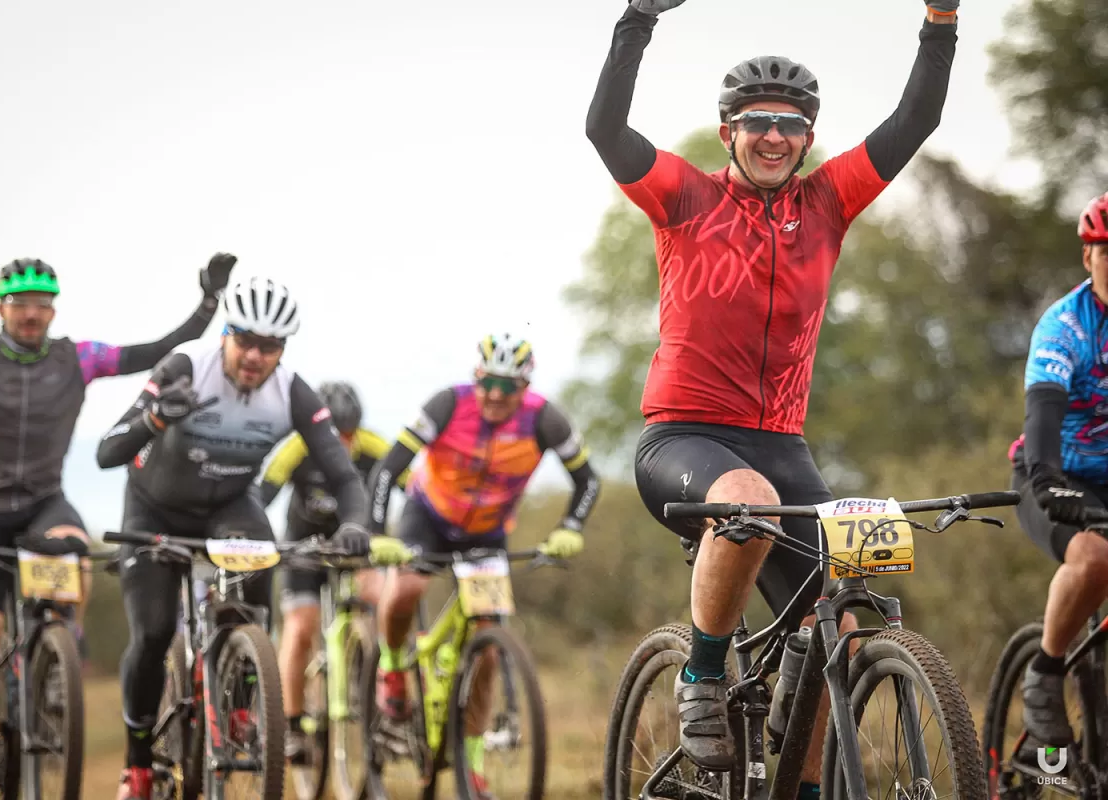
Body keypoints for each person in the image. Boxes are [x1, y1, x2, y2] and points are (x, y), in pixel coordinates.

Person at [586, 0, 959, 781]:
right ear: (729, 132)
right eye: (756, 121)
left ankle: (802, 775)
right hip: (683, 438)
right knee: (747, 500)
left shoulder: (827, 203)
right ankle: (700, 673)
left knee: (842, 618)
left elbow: (915, 118)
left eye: (791, 124)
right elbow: (606, 132)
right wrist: (637, 22)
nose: (774, 137)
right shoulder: (685, 198)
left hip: (783, 444)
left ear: (808, 137)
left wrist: (942, 16)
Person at [0, 253, 235, 800]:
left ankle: (60, 648)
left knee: (74, 547)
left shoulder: (77, 359)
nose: (32, 314)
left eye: (42, 303)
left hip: (44, 503)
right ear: (1, 308)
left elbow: (154, 352)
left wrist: (206, 305)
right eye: (20, 304)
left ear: (53, 309)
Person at [94, 274, 371, 800]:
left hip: (228, 506)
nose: (254, 356)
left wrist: (356, 524)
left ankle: (244, 702)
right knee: (153, 632)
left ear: (282, 349)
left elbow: (343, 474)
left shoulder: (291, 391)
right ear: (226, 333)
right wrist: (153, 418)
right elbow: (106, 453)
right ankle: (137, 765)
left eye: (270, 346)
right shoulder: (184, 369)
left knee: (254, 593)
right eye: (245, 340)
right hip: (154, 508)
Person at [363, 333, 599, 798]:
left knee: (489, 645)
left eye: (508, 386)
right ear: (477, 377)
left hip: (487, 532)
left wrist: (571, 526)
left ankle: (472, 762)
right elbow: (388, 469)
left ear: (524, 386)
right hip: (427, 517)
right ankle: (391, 665)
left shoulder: (545, 419)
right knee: (407, 589)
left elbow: (587, 480)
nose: (495, 394)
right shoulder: (447, 405)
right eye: (488, 382)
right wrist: (376, 535)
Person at [256, 379, 406, 764]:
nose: (344, 441)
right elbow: (261, 495)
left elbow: (416, 490)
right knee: (301, 626)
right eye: (335, 433)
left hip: (357, 545)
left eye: (350, 432)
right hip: (302, 545)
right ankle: (291, 724)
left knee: (382, 596)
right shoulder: (296, 448)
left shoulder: (373, 446)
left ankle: (391, 692)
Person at [1008, 192, 1108, 748]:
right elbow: (1044, 410)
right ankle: (1045, 674)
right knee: (1094, 556)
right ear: (1088, 258)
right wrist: (1047, 480)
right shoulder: (1065, 326)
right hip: (1054, 474)